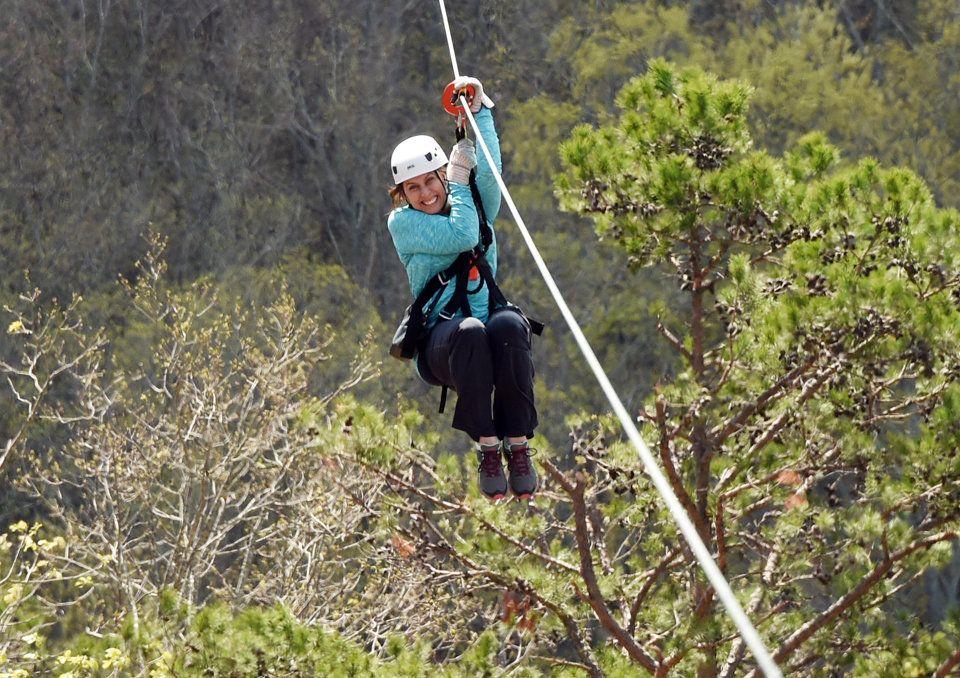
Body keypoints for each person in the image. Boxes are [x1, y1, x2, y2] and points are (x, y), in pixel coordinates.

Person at [386, 75, 539, 502]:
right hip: (442, 343)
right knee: (471, 329)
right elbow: (463, 235)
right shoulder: (403, 224)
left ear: (439, 174)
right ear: (402, 195)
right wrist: (456, 179)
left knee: (509, 325)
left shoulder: (469, 197)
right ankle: (488, 447)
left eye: (430, 181)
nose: (425, 193)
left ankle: (518, 442)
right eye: (412, 189)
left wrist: (481, 110)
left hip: (486, 328)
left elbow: (489, 171)